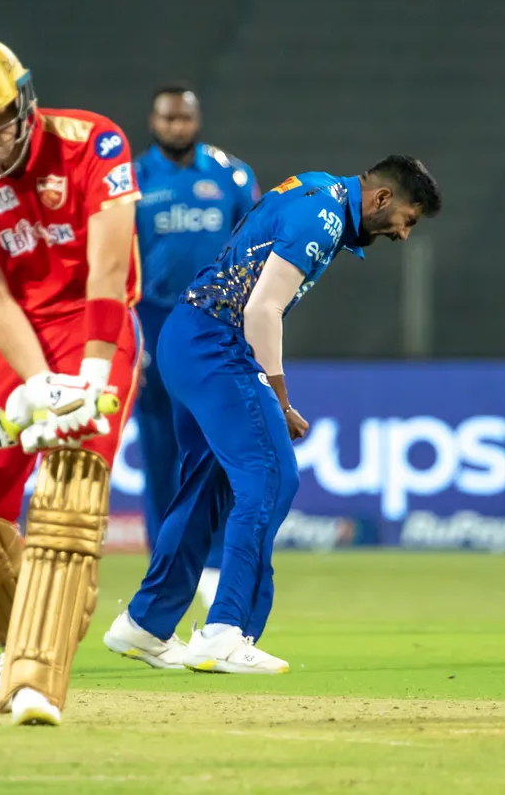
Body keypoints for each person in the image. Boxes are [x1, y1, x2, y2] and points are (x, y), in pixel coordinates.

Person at [103, 156, 442, 673]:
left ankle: (145, 624)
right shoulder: (324, 217)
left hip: (185, 337)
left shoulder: (319, 187)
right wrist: (279, 401)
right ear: (381, 200)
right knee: (272, 477)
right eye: (408, 219)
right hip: (217, 344)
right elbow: (263, 309)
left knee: (204, 489)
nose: (404, 234)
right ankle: (223, 633)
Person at [0, 38, 147, 726]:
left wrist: (83, 381)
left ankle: (34, 678)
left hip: (96, 330)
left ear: (24, 100)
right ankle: (21, 635)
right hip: (15, 339)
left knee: (66, 506)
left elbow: (108, 276)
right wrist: (40, 383)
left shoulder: (94, 143)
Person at [130, 84, 260, 609]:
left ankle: (211, 564)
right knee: (160, 449)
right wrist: (130, 335)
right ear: (153, 121)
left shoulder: (231, 175)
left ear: (197, 119)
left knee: (219, 445)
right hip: (155, 323)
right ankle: (164, 563)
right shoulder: (135, 179)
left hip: (215, 323)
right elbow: (119, 262)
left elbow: (252, 253)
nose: (178, 126)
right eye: (168, 118)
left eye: (185, 117)